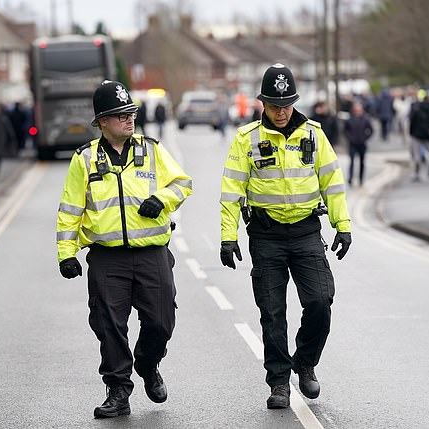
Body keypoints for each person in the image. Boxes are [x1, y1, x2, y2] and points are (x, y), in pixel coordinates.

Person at [55, 80, 192, 419]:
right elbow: (70, 209)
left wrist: (161, 199)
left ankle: (148, 363)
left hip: (152, 253)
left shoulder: (152, 149)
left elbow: (183, 183)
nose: (129, 121)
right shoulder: (84, 160)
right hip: (107, 257)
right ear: (102, 121)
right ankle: (118, 390)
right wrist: (66, 253)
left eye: (130, 114)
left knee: (161, 322)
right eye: (120, 116)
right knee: (108, 325)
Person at [219, 64, 352, 409]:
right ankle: (279, 381)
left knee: (321, 302)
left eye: (287, 104)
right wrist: (227, 236)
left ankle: (305, 362)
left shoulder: (313, 135)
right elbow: (231, 190)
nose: (281, 112)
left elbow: (332, 183)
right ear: (263, 102)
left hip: (307, 231)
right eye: (274, 105)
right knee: (272, 313)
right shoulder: (246, 139)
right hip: (266, 236)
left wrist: (343, 225)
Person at [409, 92, 429, 181]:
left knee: (417, 157)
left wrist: (411, 133)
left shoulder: (416, 108)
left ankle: (416, 174)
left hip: (416, 135)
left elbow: (412, 121)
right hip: (428, 135)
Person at [344, 101, 373, 186]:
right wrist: (350, 138)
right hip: (352, 143)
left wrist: (365, 138)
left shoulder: (366, 119)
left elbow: (371, 130)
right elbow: (345, 130)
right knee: (352, 161)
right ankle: (350, 177)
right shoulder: (350, 119)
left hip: (362, 144)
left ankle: (361, 178)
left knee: (362, 162)